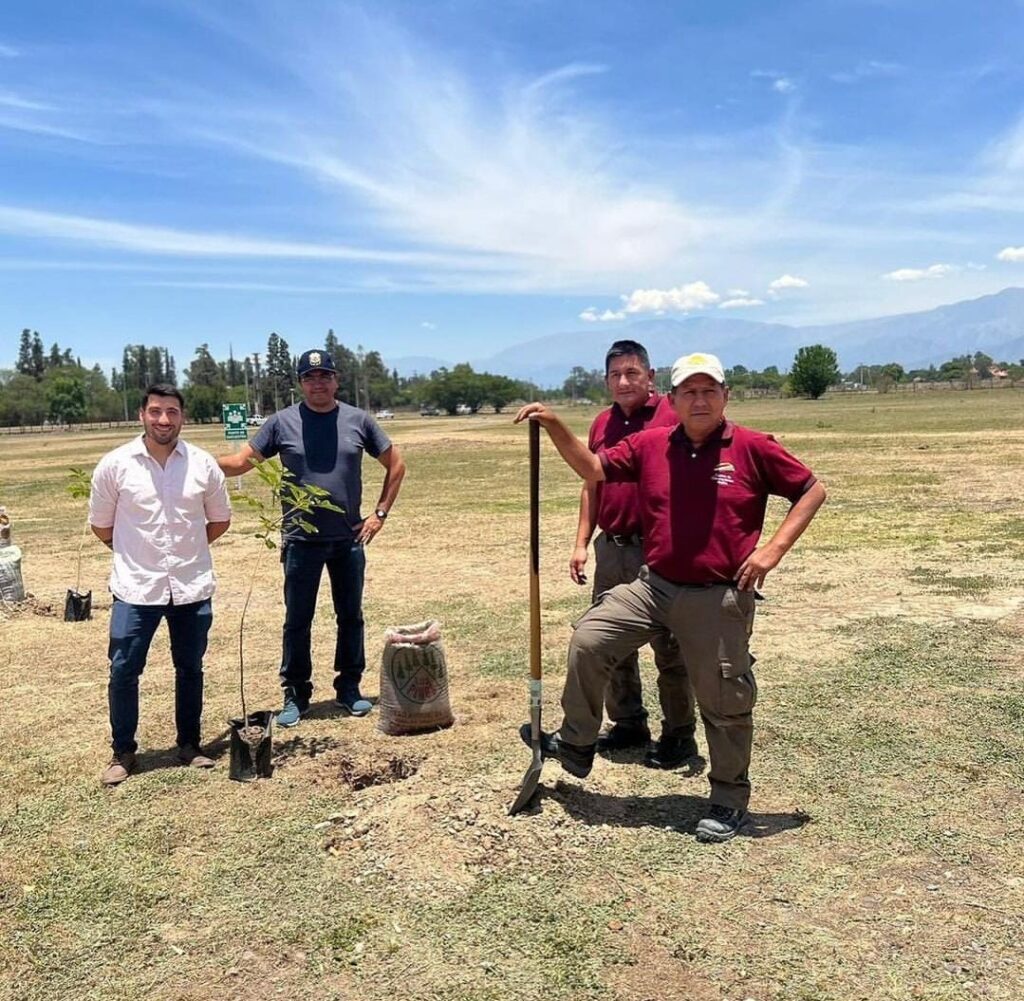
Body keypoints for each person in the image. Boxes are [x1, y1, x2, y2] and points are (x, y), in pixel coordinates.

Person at [515, 352, 826, 842]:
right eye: (689, 392)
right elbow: (593, 468)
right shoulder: (651, 443)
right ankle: (576, 743)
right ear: (675, 400)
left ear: (725, 396)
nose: (699, 400)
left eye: (709, 391)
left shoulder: (752, 447)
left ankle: (728, 799)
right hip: (653, 584)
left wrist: (773, 550)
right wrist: (554, 424)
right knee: (590, 638)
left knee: (724, 700)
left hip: (716, 595)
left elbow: (811, 489)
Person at [218, 349, 406, 727]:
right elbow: (241, 463)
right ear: (300, 383)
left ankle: (349, 689)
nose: (318, 383)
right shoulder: (281, 423)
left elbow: (396, 464)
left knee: (350, 616)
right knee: (297, 619)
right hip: (300, 540)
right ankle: (295, 694)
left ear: (336, 380)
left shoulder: (359, 421)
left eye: (325, 376)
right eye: (310, 377)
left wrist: (379, 514)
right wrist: (189, 458)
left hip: (347, 540)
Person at [89, 383, 232, 786]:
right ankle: (123, 752)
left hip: (190, 585)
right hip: (136, 588)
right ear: (142, 415)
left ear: (182, 417)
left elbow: (220, 519)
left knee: (190, 668)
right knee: (123, 670)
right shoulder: (116, 465)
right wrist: (138, 554)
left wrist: (186, 550)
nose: (163, 419)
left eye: (171, 411)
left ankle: (189, 745)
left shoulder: (203, 465)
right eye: (155, 411)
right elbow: (102, 526)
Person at [571, 339, 697, 767]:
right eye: (615, 375)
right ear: (606, 381)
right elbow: (592, 485)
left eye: (632, 373)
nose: (623, 382)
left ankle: (679, 735)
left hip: (661, 548)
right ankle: (628, 723)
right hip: (613, 548)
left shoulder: (673, 414)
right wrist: (581, 543)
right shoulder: (600, 424)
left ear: (651, 377)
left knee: (671, 645)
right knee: (609, 640)